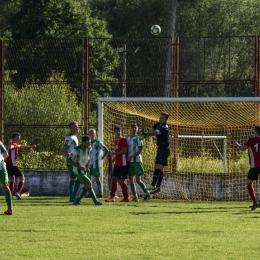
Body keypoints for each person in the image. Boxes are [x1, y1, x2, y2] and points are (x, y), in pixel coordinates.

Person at [139, 112, 170, 194]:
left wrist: (145, 134)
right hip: (160, 149)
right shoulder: (158, 124)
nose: (160, 119)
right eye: (160, 117)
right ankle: (158, 187)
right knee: (160, 168)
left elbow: (155, 133)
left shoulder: (164, 127)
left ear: (166, 120)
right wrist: (144, 136)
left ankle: (153, 184)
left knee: (158, 165)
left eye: (162, 118)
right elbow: (151, 131)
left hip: (164, 149)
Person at [68, 135, 102, 206]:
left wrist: (86, 167)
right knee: (89, 183)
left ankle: (76, 201)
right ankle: (95, 201)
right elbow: (69, 160)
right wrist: (79, 166)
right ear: (83, 143)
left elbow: (87, 159)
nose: (89, 144)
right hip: (77, 170)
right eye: (87, 143)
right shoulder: (76, 150)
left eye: (89, 142)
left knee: (87, 186)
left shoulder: (89, 149)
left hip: (83, 170)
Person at [233, 125, 260, 210]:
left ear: (255, 131)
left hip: (255, 166)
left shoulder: (252, 140)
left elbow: (242, 148)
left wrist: (237, 144)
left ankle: (255, 202)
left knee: (249, 183)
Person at [5, 133, 36, 200]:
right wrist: (10, 145)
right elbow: (11, 147)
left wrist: (30, 147)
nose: (19, 139)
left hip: (8, 165)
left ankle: (11, 195)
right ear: (14, 139)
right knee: (22, 178)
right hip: (13, 165)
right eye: (18, 138)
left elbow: (22, 146)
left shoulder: (15, 144)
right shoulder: (13, 144)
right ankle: (18, 192)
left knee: (12, 179)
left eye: (19, 138)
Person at [127, 124, 150, 202]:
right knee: (130, 179)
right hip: (130, 162)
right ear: (130, 129)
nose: (134, 129)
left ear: (137, 130)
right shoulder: (127, 138)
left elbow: (140, 150)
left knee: (138, 180)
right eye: (132, 127)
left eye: (135, 128)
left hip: (137, 161)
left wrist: (132, 156)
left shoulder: (139, 138)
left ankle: (147, 194)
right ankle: (135, 196)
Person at [105, 126, 129, 202]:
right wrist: (115, 158)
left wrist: (114, 153)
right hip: (117, 164)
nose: (118, 132)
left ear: (121, 132)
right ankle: (112, 197)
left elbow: (124, 151)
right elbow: (119, 152)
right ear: (114, 132)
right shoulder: (116, 141)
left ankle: (126, 197)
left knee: (121, 181)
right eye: (116, 131)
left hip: (123, 164)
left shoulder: (123, 140)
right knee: (114, 179)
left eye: (119, 131)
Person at [88, 129, 109, 198]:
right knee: (88, 179)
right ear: (88, 135)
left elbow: (106, 150)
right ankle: (90, 193)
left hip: (97, 164)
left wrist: (102, 158)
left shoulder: (98, 142)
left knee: (97, 179)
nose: (92, 134)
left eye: (93, 133)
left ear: (95, 134)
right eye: (90, 133)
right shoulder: (88, 143)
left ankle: (100, 194)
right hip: (89, 163)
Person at [62, 121, 79, 202]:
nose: (77, 127)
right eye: (75, 126)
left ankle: (73, 196)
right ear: (71, 128)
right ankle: (72, 196)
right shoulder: (69, 138)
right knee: (75, 178)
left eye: (77, 126)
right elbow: (64, 149)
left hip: (75, 161)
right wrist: (70, 156)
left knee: (74, 178)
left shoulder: (75, 137)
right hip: (71, 161)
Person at [0, 140, 13, 215]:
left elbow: (6, 154)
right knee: (5, 187)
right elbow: (6, 154)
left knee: (5, 186)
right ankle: (10, 209)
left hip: (1, 166)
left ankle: (10, 209)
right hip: (1, 166)